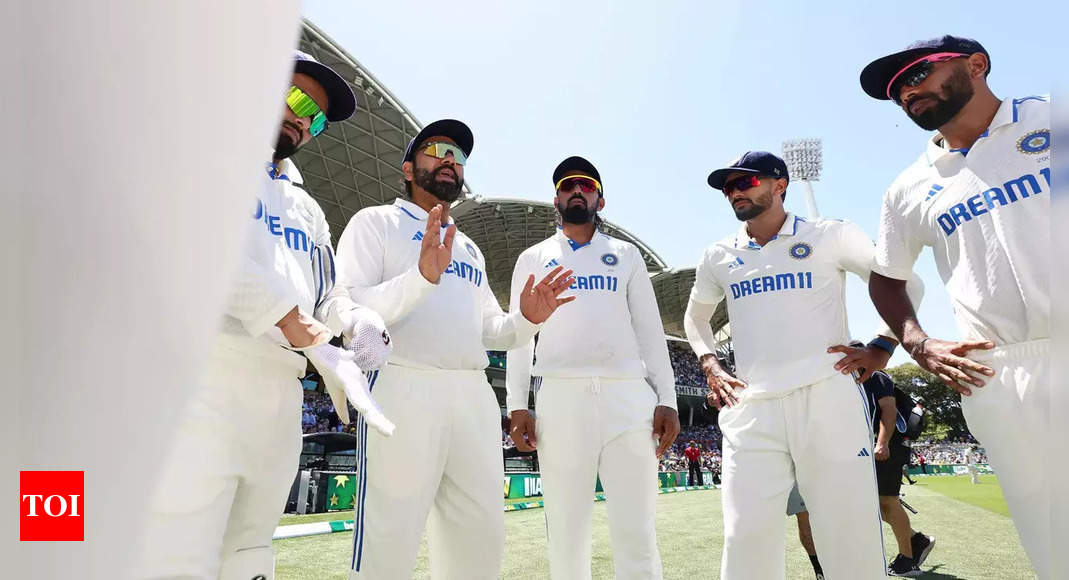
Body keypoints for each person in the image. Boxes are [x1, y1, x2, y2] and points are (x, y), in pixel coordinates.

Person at [135, 51, 394, 579]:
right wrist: (309, 334)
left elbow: (324, 295)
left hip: (281, 392)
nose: (305, 120)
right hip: (202, 375)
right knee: (179, 547)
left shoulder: (309, 208)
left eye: (317, 118)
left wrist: (354, 321)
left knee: (252, 553)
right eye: (297, 99)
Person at [323, 119, 576, 578]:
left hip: (473, 395)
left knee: (479, 542)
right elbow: (349, 303)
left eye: (458, 157)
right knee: (389, 539)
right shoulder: (377, 222)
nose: (449, 161)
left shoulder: (471, 250)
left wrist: (527, 320)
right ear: (407, 167)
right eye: (437, 149)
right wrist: (420, 278)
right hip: (403, 381)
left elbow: (491, 330)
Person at [861, 35, 1052, 579]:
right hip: (999, 373)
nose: (906, 91)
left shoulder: (1053, 117)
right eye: (897, 90)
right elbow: (886, 282)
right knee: (1052, 543)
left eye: (918, 73)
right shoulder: (908, 187)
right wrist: (918, 344)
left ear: (976, 65)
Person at [684, 150, 923, 579]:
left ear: (780, 185)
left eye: (746, 182)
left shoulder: (829, 235)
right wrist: (709, 363)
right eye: (728, 187)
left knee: (847, 530)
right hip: (751, 405)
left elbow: (904, 282)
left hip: (826, 396)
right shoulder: (718, 254)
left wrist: (883, 347)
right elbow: (695, 316)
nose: (735, 191)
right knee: (745, 534)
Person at [507, 156, 680, 579]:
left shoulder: (626, 256)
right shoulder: (533, 257)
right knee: (566, 533)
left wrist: (669, 399)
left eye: (585, 185)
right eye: (568, 186)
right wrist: (517, 405)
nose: (577, 191)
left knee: (636, 532)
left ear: (600, 198)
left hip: (628, 399)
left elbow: (651, 332)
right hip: (561, 398)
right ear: (556, 200)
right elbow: (518, 335)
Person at [851, 343, 935, 577]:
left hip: (890, 443)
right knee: (881, 506)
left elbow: (888, 410)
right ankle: (917, 540)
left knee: (887, 501)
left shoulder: (877, 377)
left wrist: (882, 442)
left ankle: (908, 561)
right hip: (874, 446)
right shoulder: (849, 381)